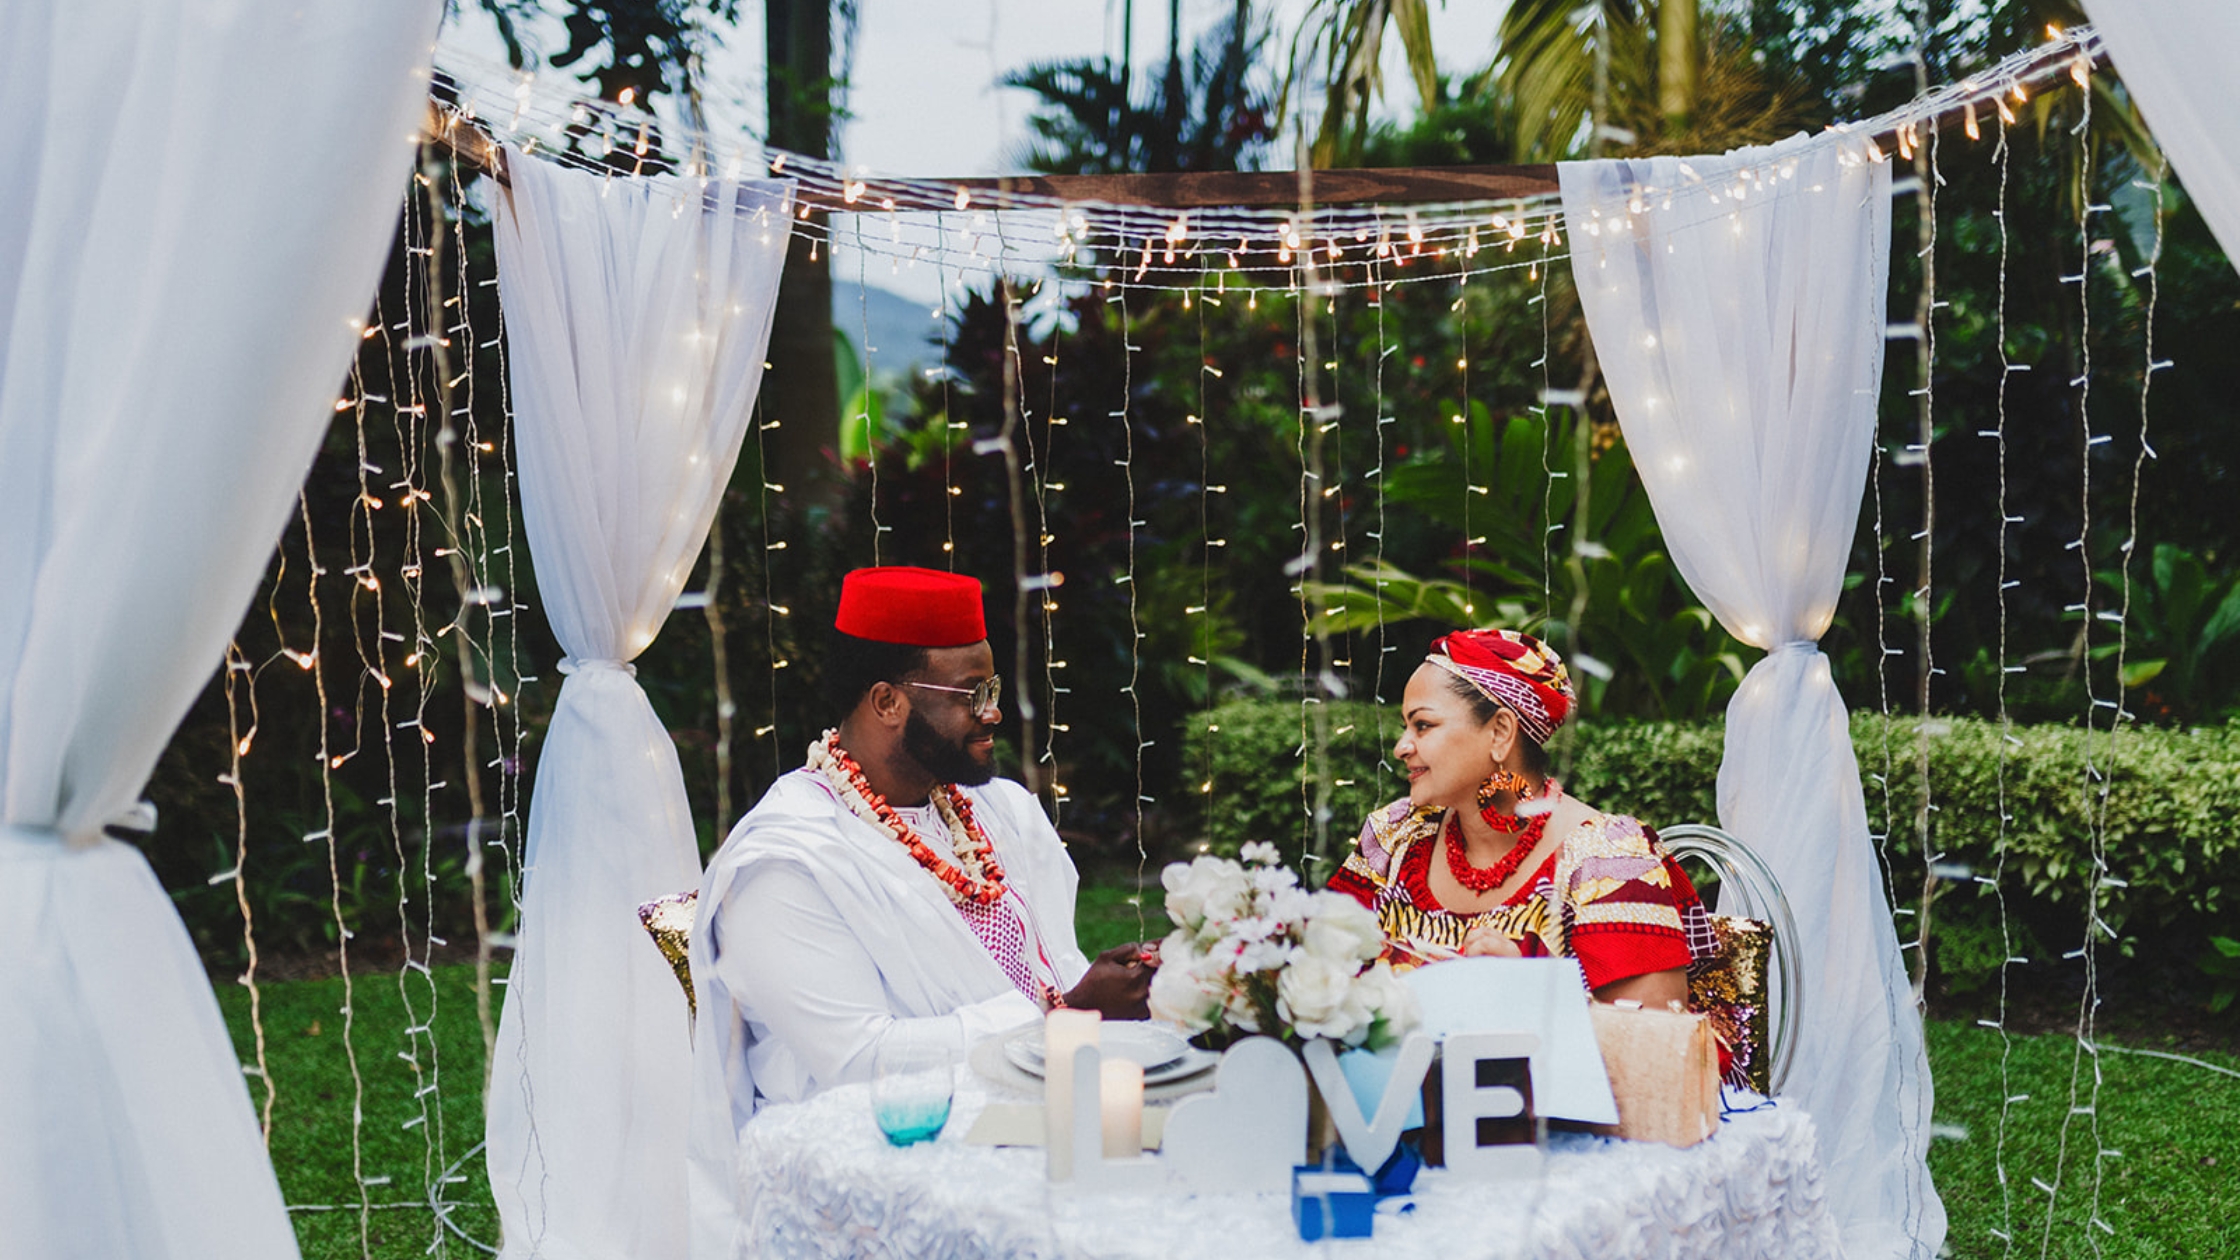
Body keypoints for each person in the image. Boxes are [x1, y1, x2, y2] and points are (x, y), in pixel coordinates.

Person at [686, 565, 1154, 1259]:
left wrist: (1131, 987)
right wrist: (1066, 1022)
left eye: (992, 689)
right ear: (886, 702)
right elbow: (857, 1060)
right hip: (873, 1162)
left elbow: (1053, 969)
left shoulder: (997, 810)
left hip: (1035, 1109)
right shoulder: (787, 861)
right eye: (973, 694)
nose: (994, 712)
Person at [1326, 628, 1716, 1011]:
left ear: (1500, 732)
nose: (1401, 747)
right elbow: (1324, 968)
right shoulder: (1396, 836)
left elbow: (1656, 1041)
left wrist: (1527, 993)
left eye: (1423, 725)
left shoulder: (1607, 859)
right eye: (1405, 727)